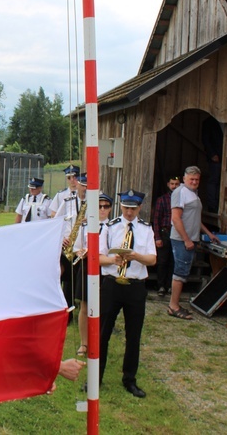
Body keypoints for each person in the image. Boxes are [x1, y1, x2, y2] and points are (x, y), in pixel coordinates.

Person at [98, 190, 156, 398]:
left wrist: (136, 256)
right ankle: (96, 378)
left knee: (133, 336)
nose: (129, 212)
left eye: (133, 208)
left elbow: (152, 259)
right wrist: (114, 260)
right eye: (126, 208)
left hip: (135, 285)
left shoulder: (146, 229)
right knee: (102, 333)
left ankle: (129, 380)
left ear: (139, 208)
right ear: (121, 207)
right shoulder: (110, 226)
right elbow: (98, 257)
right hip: (112, 284)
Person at [168, 166, 219, 320]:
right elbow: (176, 218)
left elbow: (196, 219)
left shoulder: (194, 194)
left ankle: (175, 303)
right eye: (192, 179)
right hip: (182, 239)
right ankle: (173, 306)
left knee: (183, 272)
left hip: (191, 239)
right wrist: (186, 239)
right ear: (184, 179)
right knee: (180, 272)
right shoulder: (180, 192)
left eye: (197, 179)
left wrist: (209, 233)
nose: (195, 182)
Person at [68, 191, 113, 358]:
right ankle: (84, 343)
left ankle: (99, 341)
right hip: (87, 266)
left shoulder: (113, 226)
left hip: (105, 269)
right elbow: (76, 247)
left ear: (110, 209)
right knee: (85, 306)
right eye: (99, 206)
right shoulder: (85, 226)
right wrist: (81, 251)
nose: (102, 209)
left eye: (105, 207)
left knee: (104, 307)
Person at [51, 167, 87, 316]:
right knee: (67, 282)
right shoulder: (68, 201)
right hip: (69, 247)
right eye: (83, 185)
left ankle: (84, 310)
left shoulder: (97, 203)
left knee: (83, 283)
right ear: (78, 184)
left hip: (84, 249)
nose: (84, 188)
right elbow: (56, 221)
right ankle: (66, 313)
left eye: (87, 186)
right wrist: (62, 239)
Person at [152, 175, 180, 297]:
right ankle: (161, 286)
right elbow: (156, 220)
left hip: (178, 232)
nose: (174, 186)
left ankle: (170, 286)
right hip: (165, 232)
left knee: (174, 261)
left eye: (176, 184)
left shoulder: (182, 200)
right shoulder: (162, 200)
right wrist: (157, 237)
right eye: (172, 183)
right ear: (168, 184)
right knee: (163, 261)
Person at [201, 116, 223, 212]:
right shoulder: (209, 121)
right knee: (214, 180)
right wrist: (212, 154)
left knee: (222, 181)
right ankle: (212, 205)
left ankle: (220, 204)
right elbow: (205, 139)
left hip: (226, 155)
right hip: (215, 157)